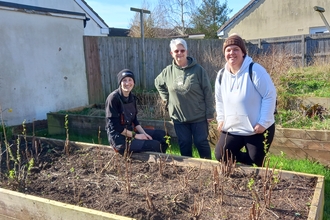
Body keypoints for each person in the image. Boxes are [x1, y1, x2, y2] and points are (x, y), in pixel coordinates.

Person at [214, 34, 277, 166]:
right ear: (224, 53)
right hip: (233, 128)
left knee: (255, 161)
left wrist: (263, 123)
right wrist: (221, 119)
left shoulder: (255, 70)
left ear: (243, 52)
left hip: (256, 129)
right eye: (228, 50)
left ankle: (252, 167)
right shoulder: (221, 75)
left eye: (236, 49)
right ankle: (244, 166)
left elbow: (269, 95)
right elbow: (219, 100)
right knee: (221, 155)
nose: (232, 53)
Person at [154, 38, 214, 159]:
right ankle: (189, 171)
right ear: (172, 53)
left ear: (187, 51)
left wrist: (210, 113)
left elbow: (208, 91)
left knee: (200, 142)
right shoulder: (168, 71)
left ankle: (209, 169)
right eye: (176, 51)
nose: (179, 53)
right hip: (179, 117)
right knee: (184, 144)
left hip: (198, 116)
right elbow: (158, 83)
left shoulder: (198, 70)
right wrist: (167, 99)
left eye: (182, 50)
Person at [105, 69, 167, 155]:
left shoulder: (132, 98)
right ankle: (153, 164)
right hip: (119, 139)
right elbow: (115, 127)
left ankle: (164, 161)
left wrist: (144, 134)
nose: (127, 83)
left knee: (162, 135)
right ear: (120, 82)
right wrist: (136, 136)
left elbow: (135, 120)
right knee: (154, 145)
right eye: (124, 80)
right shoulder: (113, 98)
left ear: (133, 82)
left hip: (130, 131)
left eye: (130, 80)